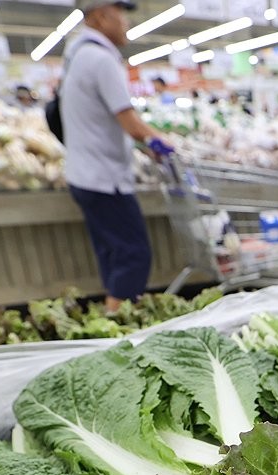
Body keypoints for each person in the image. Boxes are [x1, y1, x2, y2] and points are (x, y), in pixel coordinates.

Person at [62, 0, 167, 310]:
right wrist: (162, 144)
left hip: (84, 175)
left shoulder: (76, 56)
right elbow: (130, 122)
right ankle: (120, 326)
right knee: (134, 254)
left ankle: (111, 321)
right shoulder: (101, 59)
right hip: (105, 178)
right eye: (120, 14)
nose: (126, 22)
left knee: (112, 253)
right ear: (100, 15)